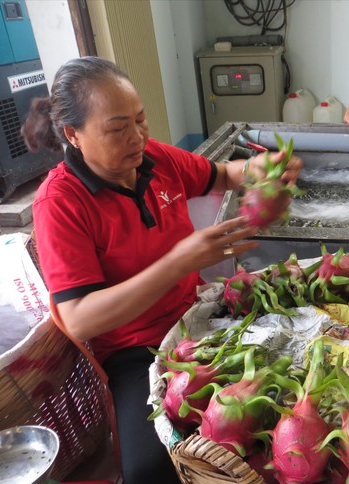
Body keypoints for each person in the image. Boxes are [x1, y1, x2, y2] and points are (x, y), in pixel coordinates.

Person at [21, 56, 302, 483]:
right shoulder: (59, 203)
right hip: (139, 351)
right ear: (72, 135)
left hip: (202, 319)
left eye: (141, 120)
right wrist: (179, 261)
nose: (137, 138)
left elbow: (222, 174)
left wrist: (258, 172)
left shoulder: (151, 159)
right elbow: (78, 319)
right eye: (117, 128)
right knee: (149, 468)